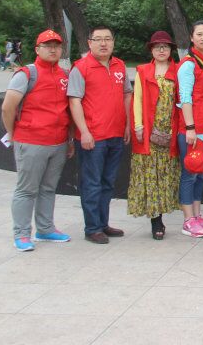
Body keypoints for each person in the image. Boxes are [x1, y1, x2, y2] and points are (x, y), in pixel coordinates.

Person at [0, 30, 74, 251]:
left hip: (58, 142)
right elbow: (7, 107)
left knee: (48, 188)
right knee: (26, 189)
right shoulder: (26, 74)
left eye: (57, 46)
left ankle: (45, 228)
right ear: (37, 49)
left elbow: (68, 110)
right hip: (31, 141)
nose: (53, 50)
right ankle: (22, 234)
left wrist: (69, 139)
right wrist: (12, 133)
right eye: (47, 46)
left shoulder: (64, 74)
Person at [68, 26, 133, 244]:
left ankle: (103, 223)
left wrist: (127, 124)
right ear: (90, 43)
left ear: (113, 42)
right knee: (92, 183)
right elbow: (74, 101)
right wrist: (84, 131)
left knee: (107, 182)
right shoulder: (81, 68)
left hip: (115, 134)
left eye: (107, 39)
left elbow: (127, 95)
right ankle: (92, 228)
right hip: (92, 137)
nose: (103, 43)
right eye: (98, 39)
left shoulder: (119, 65)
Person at [129, 31, 181, 240]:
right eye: (157, 46)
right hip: (149, 131)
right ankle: (155, 220)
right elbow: (138, 99)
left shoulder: (178, 71)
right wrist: (138, 126)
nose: (161, 50)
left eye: (165, 46)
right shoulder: (142, 71)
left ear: (170, 50)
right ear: (151, 49)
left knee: (166, 175)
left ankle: (164, 211)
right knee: (150, 176)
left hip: (170, 131)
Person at [175, 21, 203, 238]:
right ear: (192, 38)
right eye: (199, 34)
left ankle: (197, 215)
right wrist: (190, 127)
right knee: (190, 174)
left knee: (201, 174)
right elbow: (185, 97)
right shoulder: (188, 64)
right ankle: (187, 220)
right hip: (193, 129)